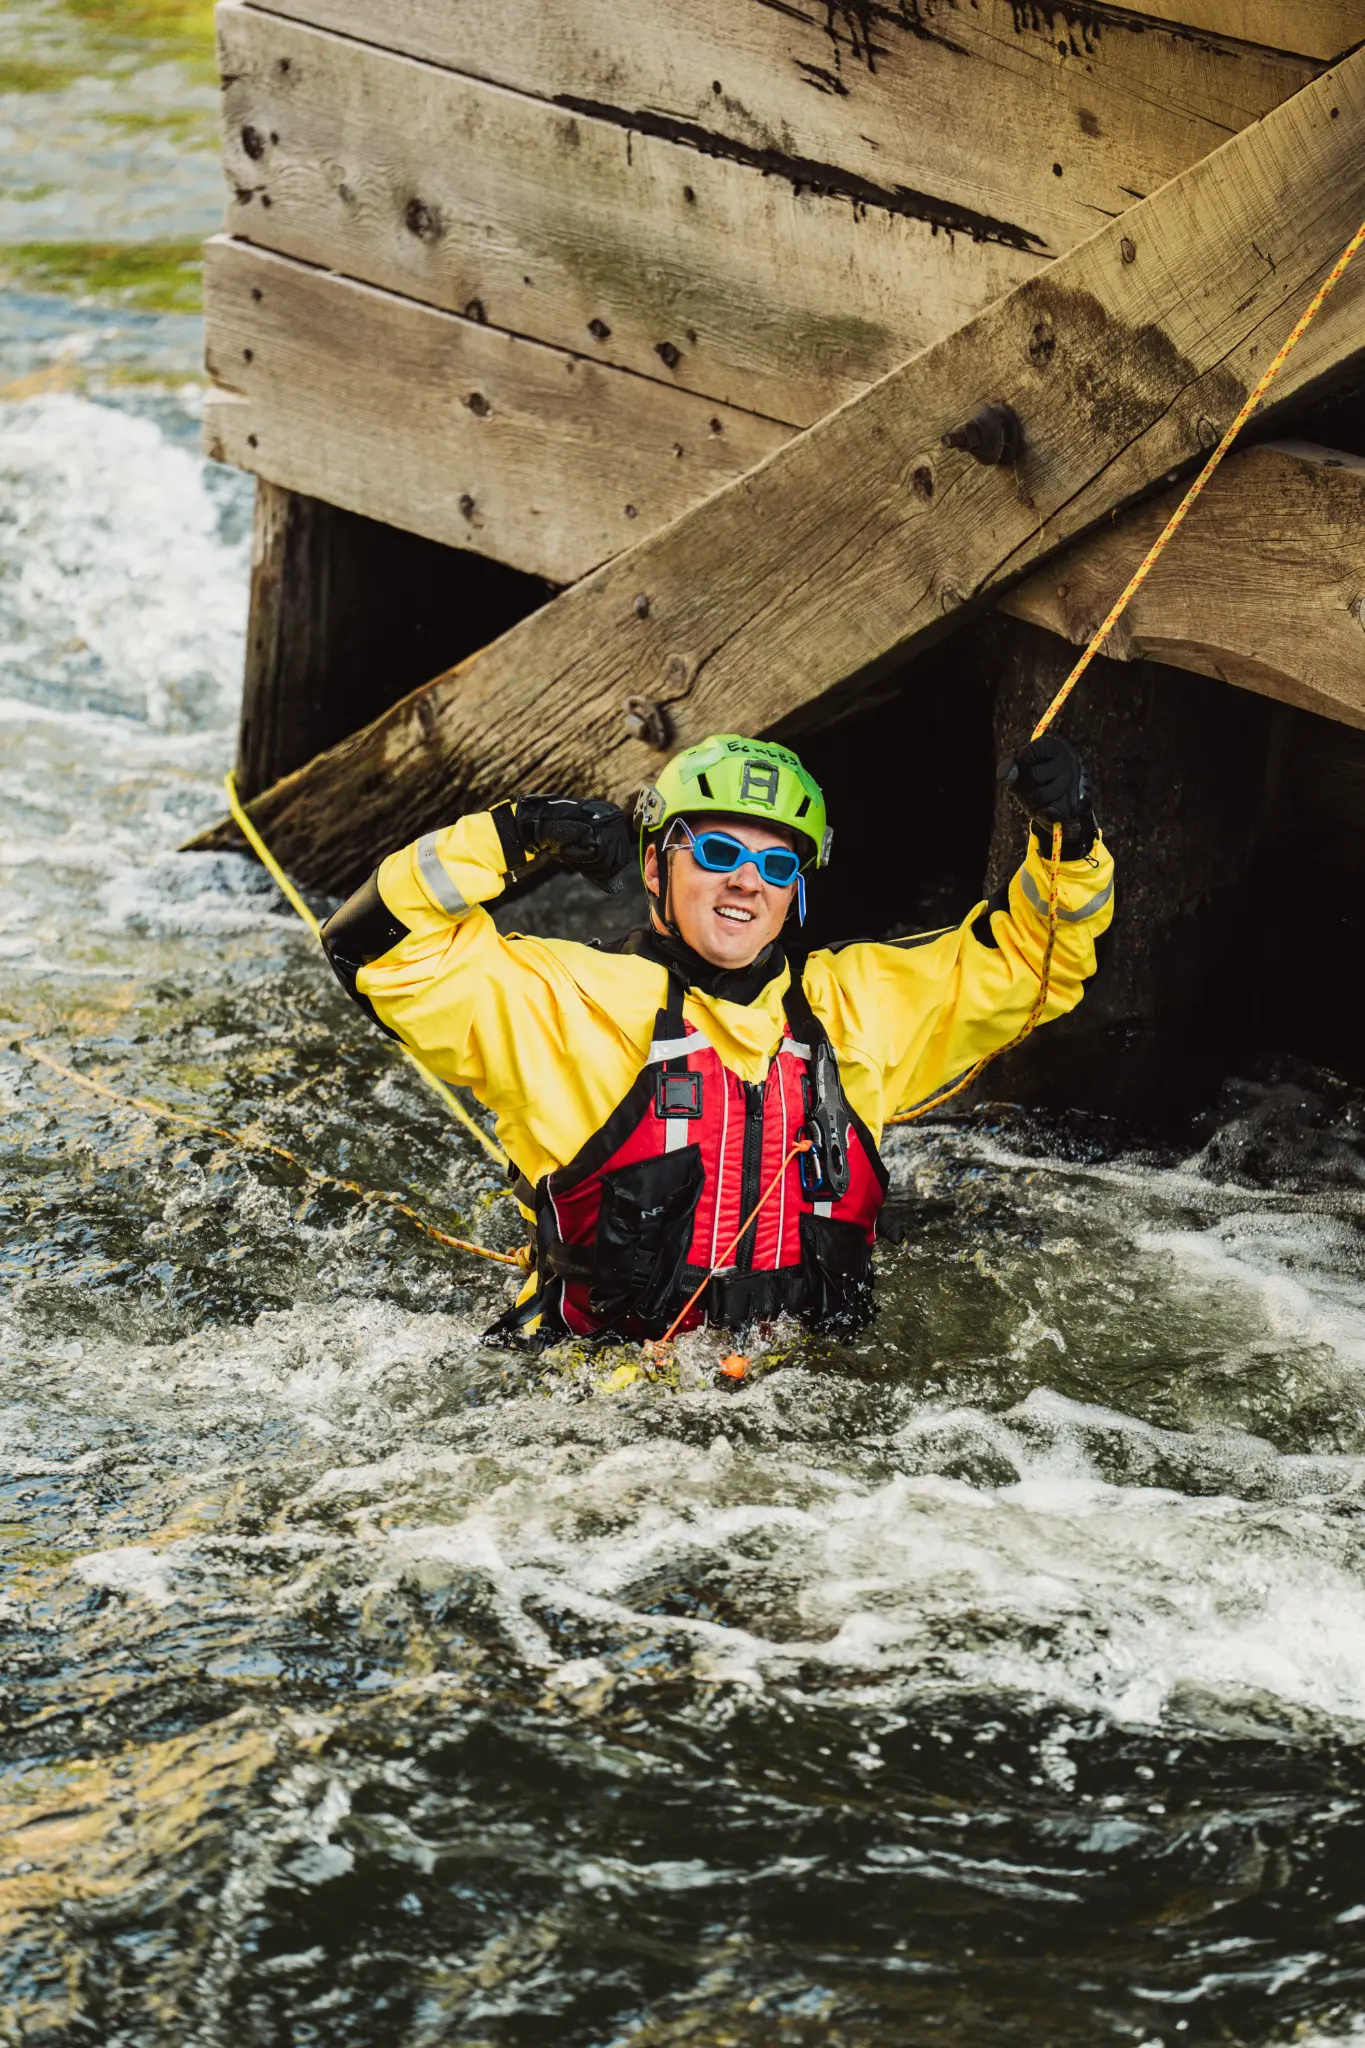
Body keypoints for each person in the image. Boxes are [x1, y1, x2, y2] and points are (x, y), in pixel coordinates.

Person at [320, 732, 1112, 1343]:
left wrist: (1067, 843)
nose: (746, 881)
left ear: (796, 892)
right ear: (655, 868)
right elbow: (372, 948)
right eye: (717, 852)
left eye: (776, 866)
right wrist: (512, 835)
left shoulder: (856, 1005)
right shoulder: (561, 1004)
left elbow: (1036, 963)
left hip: (814, 1398)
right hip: (594, 1408)